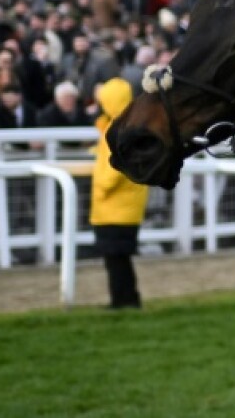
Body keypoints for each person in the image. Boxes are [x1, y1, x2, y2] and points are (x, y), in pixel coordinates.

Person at [89, 77, 148, 309]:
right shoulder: (125, 126)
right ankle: (125, 300)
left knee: (116, 259)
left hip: (115, 206)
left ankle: (124, 301)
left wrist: (102, 184)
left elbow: (114, 168)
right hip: (121, 207)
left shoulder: (120, 130)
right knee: (118, 259)